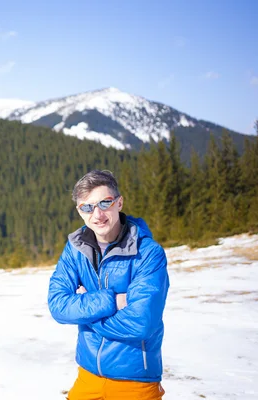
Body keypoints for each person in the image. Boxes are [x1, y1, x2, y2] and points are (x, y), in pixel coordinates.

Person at [48, 170, 169, 400]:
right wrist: (112, 301)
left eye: (105, 203)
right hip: (87, 375)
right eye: (87, 207)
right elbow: (58, 306)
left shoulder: (148, 254)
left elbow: (141, 323)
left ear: (119, 202)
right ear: (79, 211)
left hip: (135, 381)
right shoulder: (75, 249)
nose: (98, 214)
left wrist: (85, 312)